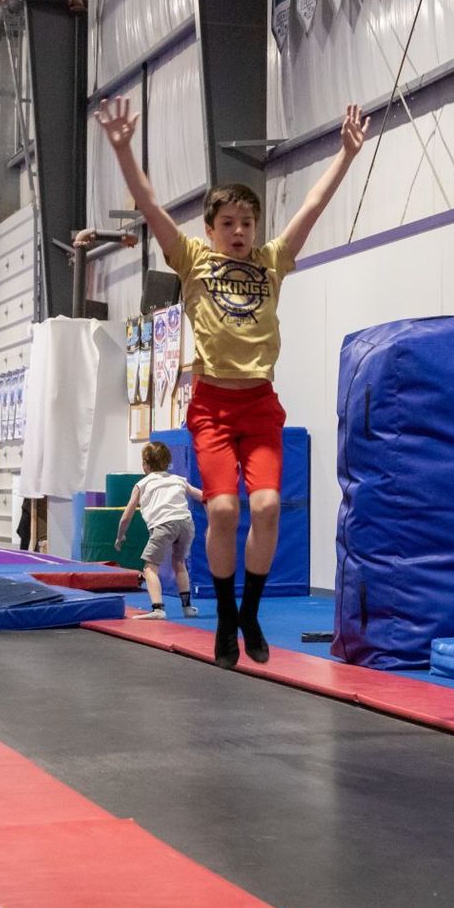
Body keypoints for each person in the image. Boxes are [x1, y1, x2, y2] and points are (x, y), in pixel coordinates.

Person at [96, 95, 368, 668]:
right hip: (214, 408)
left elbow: (313, 206)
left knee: (267, 505)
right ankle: (224, 616)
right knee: (221, 512)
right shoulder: (193, 259)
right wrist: (123, 150)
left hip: (261, 407)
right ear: (211, 228)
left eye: (247, 223)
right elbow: (149, 206)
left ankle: (250, 614)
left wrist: (344, 155)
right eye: (229, 223)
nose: (240, 231)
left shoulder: (272, 262)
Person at [119, 441, 205, 620]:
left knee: (150, 567)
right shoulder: (178, 480)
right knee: (179, 562)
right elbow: (203, 496)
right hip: (185, 523)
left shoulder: (142, 484)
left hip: (164, 524)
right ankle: (187, 607)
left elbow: (127, 515)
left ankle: (158, 609)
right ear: (167, 463)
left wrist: (120, 535)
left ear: (145, 464)